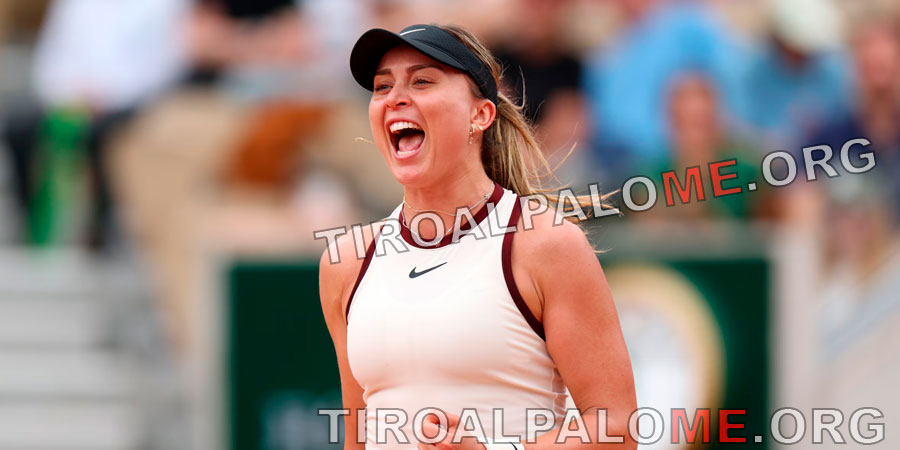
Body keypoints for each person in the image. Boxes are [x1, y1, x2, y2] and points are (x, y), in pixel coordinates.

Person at [319, 24, 636, 449]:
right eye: (382, 87)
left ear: (481, 114)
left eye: (422, 81)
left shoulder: (546, 244)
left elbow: (617, 427)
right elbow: (357, 439)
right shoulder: (345, 262)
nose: (395, 98)